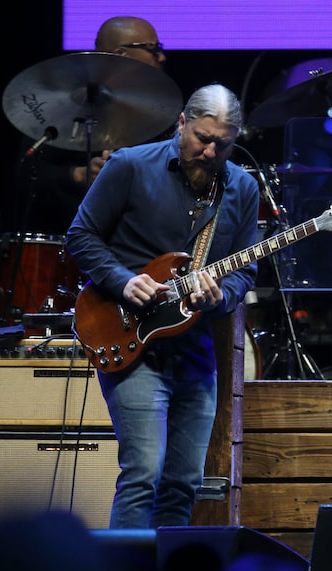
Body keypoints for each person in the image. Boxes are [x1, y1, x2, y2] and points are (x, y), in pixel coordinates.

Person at [65, 83, 259, 528]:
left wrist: (222, 296)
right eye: (202, 138)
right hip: (129, 340)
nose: (210, 152)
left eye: (223, 144)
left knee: (183, 483)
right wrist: (123, 280)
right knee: (143, 475)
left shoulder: (242, 189)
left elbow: (246, 272)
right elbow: (80, 235)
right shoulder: (131, 166)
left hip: (193, 352)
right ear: (182, 123)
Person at [13, 16, 169, 237]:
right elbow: (27, 174)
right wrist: (77, 175)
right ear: (121, 55)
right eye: (153, 48)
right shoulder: (62, 106)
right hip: (65, 241)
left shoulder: (162, 112)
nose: (162, 57)